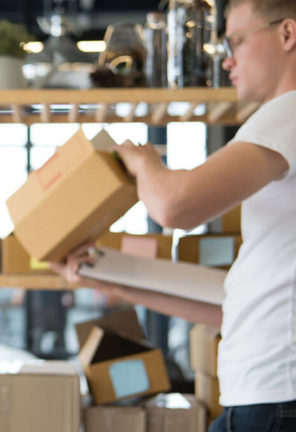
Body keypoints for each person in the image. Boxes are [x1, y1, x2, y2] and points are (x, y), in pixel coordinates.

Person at [51, 0, 296, 430]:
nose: (227, 58)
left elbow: (174, 207)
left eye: (236, 40)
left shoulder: (287, 114)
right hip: (268, 396)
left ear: (287, 34)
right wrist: (108, 277)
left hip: (275, 399)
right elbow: (230, 305)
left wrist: (144, 161)